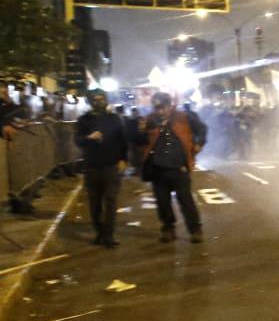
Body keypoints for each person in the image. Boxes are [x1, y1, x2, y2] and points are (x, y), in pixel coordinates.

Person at [136, 92, 207, 243]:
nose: (160, 111)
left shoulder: (184, 117)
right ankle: (168, 228)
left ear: (170, 106)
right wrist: (140, 131)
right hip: (158, 168)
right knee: (162, 202)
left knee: (186, 200)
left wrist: (198, 144)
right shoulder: (149, 119)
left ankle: (195, 229)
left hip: (179, 167)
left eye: (163, 108)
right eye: (157, 108)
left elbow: (202, 129)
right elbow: (138, 140)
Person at [74, 89, 129, 247]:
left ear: (106, 100)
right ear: (90, 102)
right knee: (95, 203)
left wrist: (124, 159)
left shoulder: (115, 119)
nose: (99, 102)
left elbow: (123, 140)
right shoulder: (84, 120)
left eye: (101, 99)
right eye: (95, 100)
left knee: (111, 200)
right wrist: (88, 138)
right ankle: (100, 232)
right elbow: (77, 140)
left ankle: (109, 235)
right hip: (92, 167)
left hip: (111, 166)